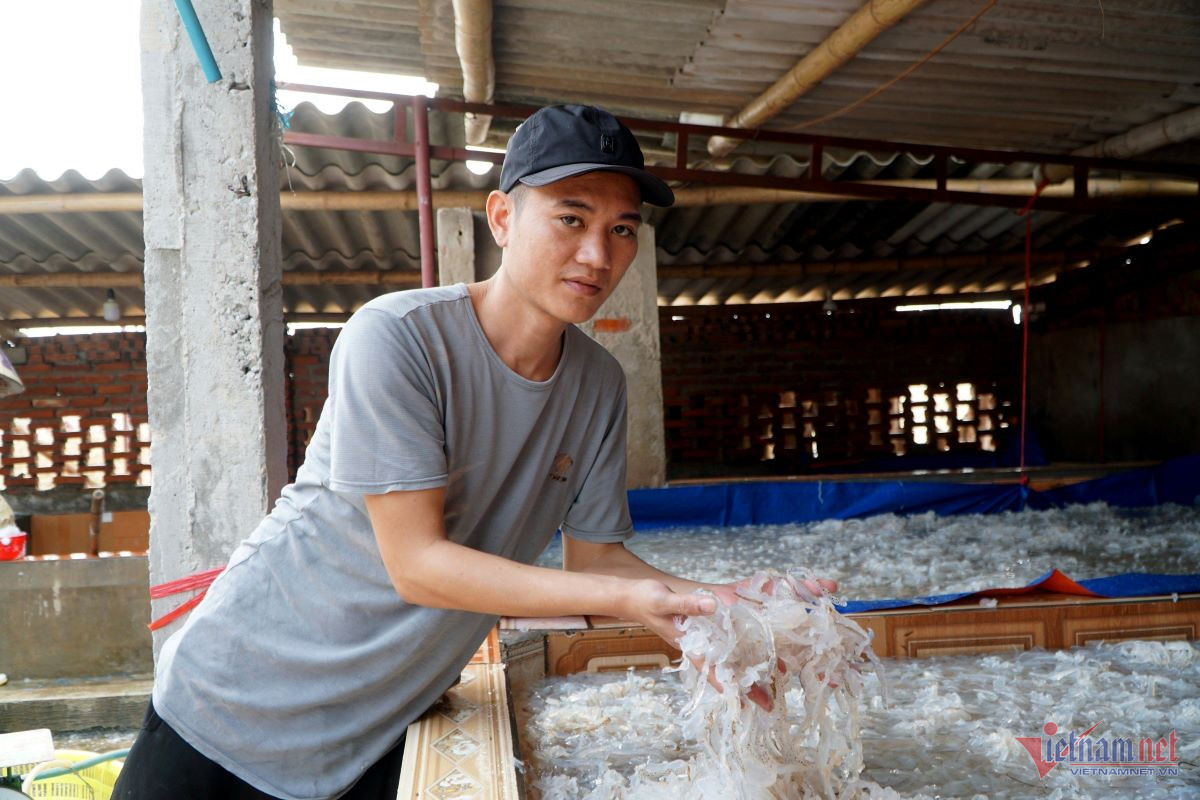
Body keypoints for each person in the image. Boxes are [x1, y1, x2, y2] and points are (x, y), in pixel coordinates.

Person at [113, 104, 833, 800]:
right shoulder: (398, 338)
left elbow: (597, 559)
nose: (597, 253)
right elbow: (417, 563)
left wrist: (714, 612)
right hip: (235, 702)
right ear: (501, 217)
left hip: (377, 726)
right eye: (571, 218)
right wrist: (628, 600)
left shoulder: (599, 384)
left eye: (622, 229)